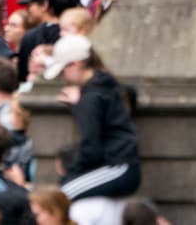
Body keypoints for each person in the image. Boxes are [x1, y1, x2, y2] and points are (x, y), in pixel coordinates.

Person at [44, 34, 141, 202]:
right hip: (121, 166)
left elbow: (91, 147)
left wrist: (71, 171)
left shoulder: (91, 98)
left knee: (58, 199)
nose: (62, 78)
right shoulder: (106, 84)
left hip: (117, 166)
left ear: (77, 63)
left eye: (62, 71)